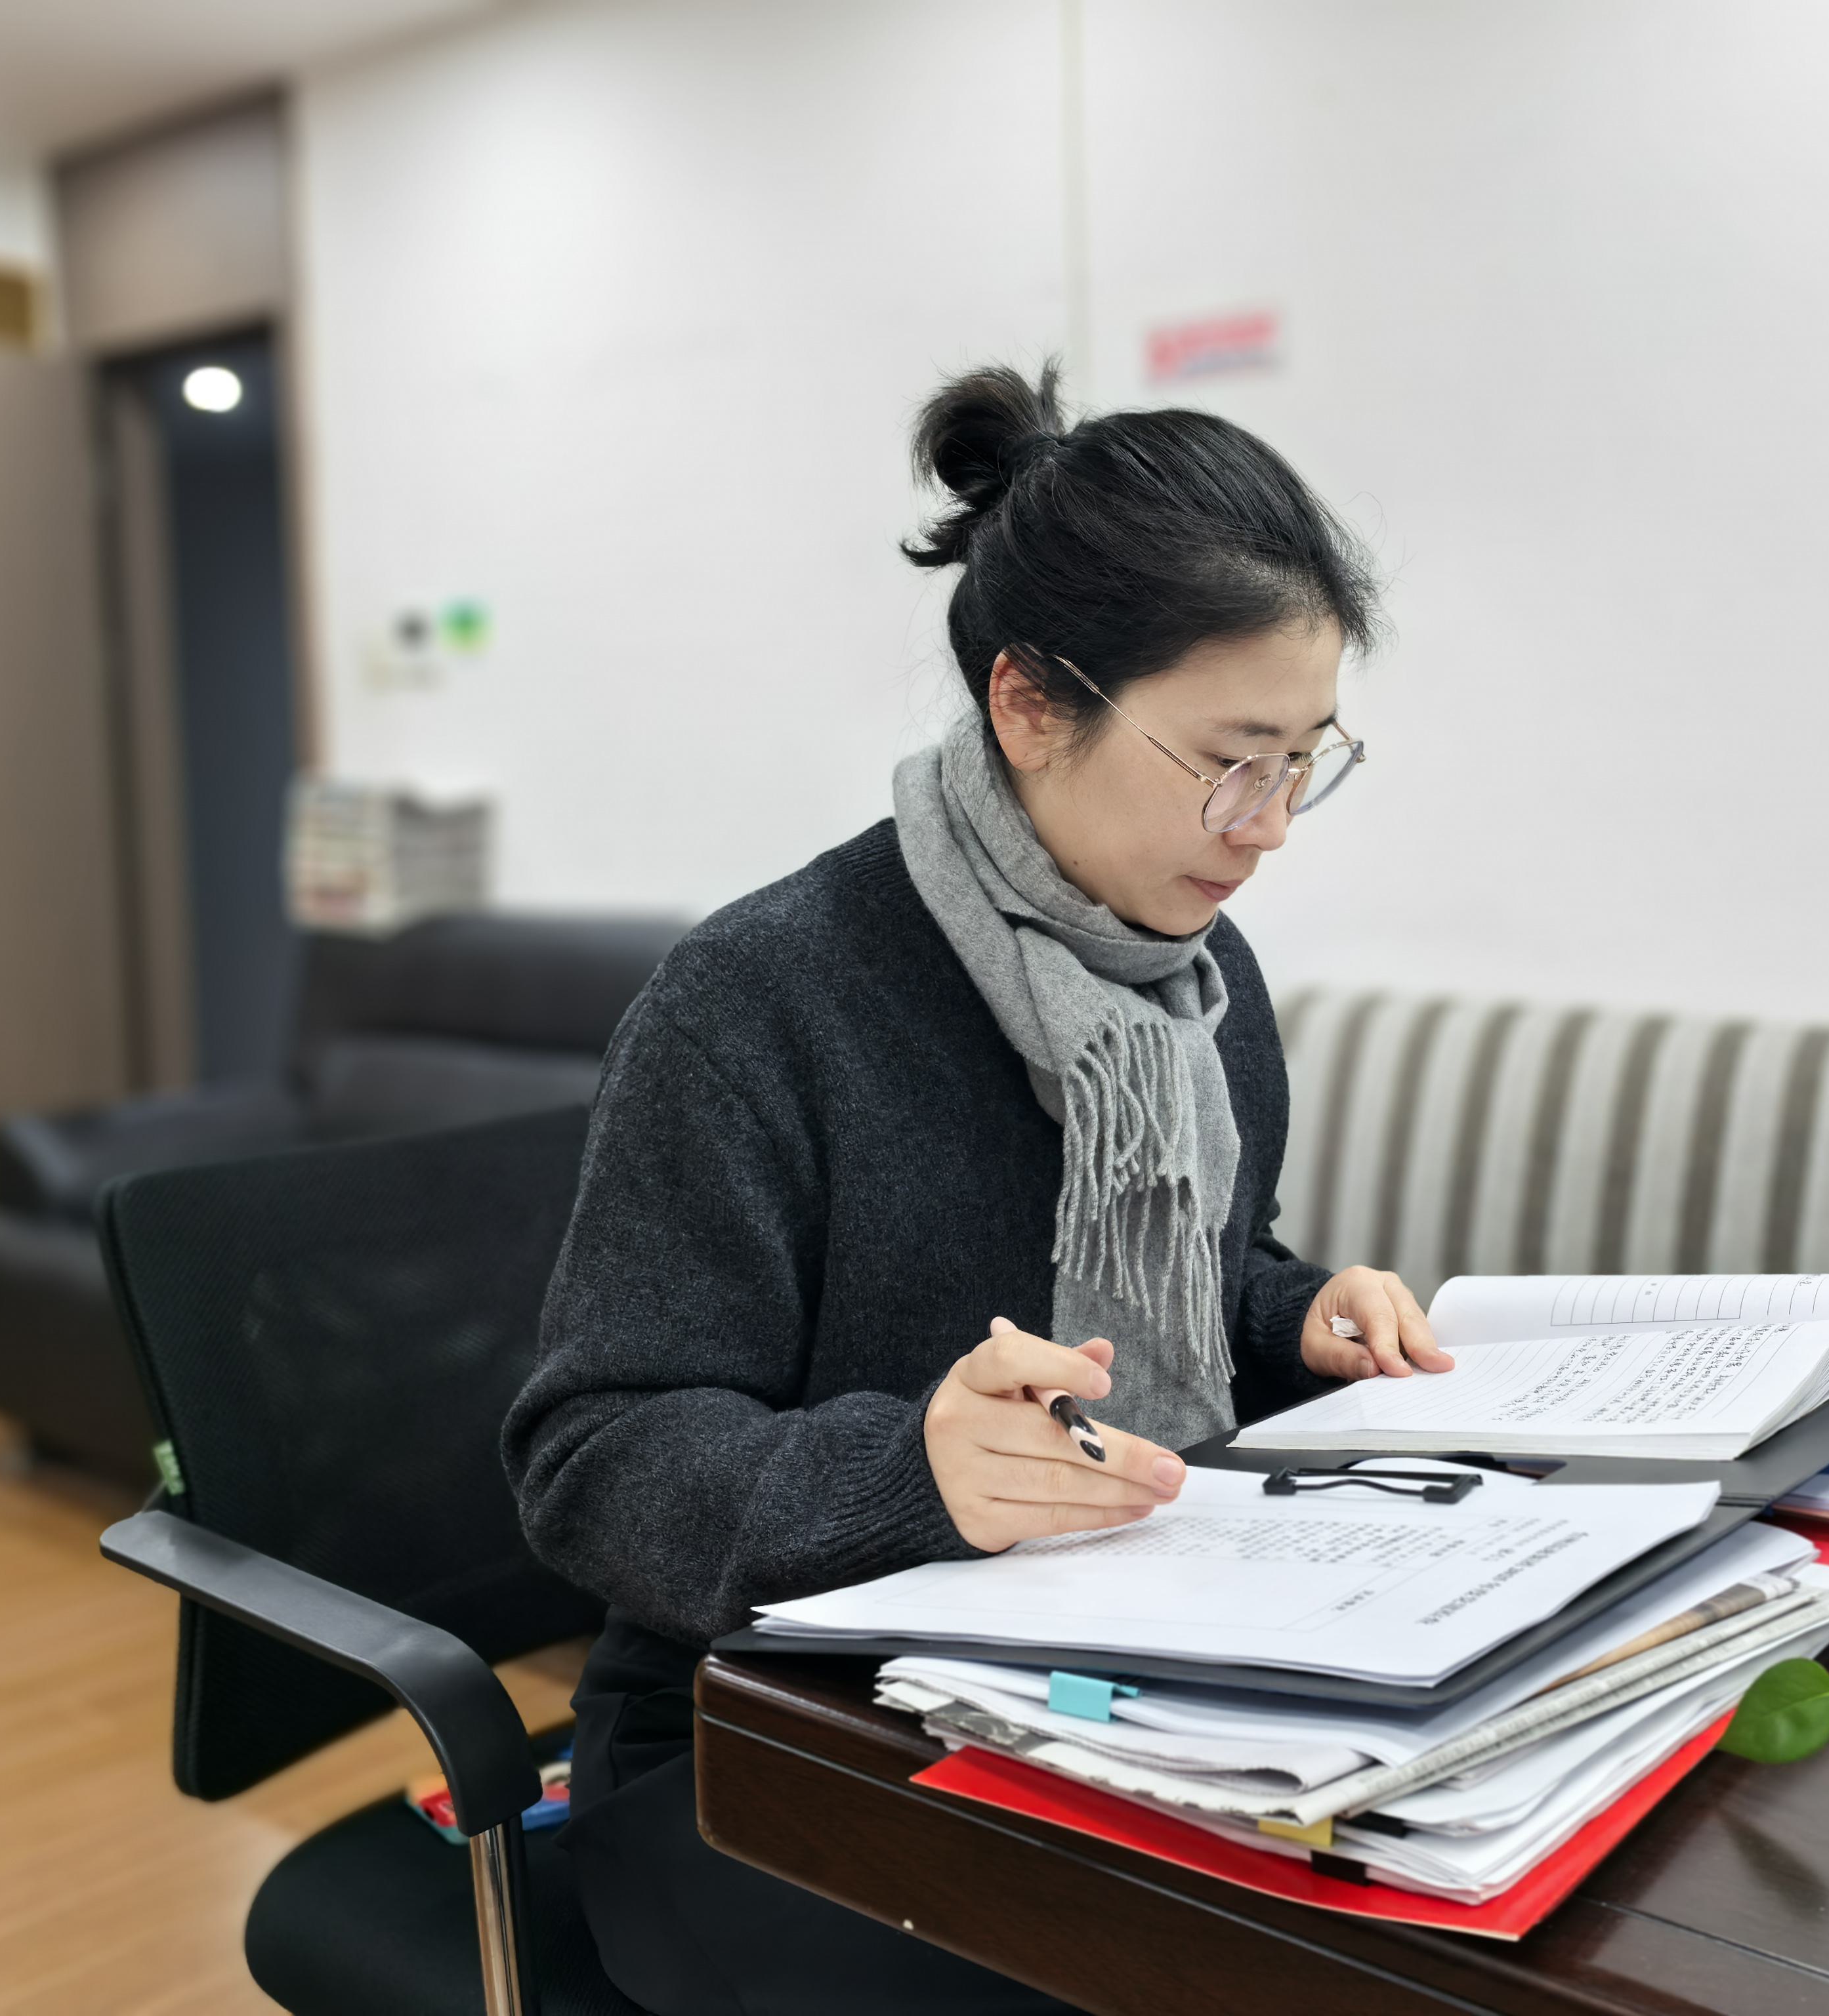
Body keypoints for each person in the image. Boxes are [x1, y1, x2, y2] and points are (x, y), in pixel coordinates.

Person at [503, 360, 1454, 2015]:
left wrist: (1301, 1316)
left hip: (1105, 1668)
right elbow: (593, 1458)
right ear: (1027, 705)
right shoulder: (762, 998)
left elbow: (1200, 1279)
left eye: (1304, 760)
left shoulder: (1192, 978)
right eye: (1230, 760)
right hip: (776, 1732)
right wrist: (913, 1474)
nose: (1269, 828)